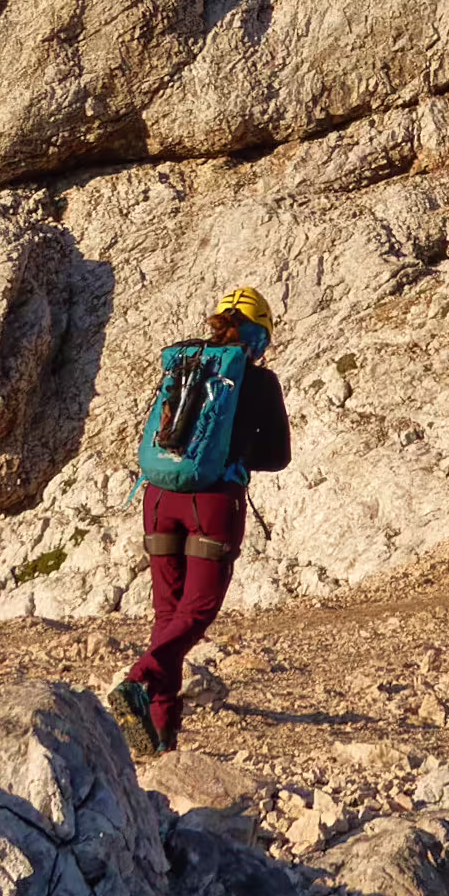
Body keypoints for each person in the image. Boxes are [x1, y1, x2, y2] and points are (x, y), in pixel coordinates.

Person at [117, 288, 288, 753]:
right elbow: (279, 456)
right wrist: (240, 455)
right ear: (259, 337)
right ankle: (138, 679)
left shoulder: (186, 363)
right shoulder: (259, 381)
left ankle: (160, 730)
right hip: (212, 503)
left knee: (167, 613)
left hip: (158, 497)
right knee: (196, 611)